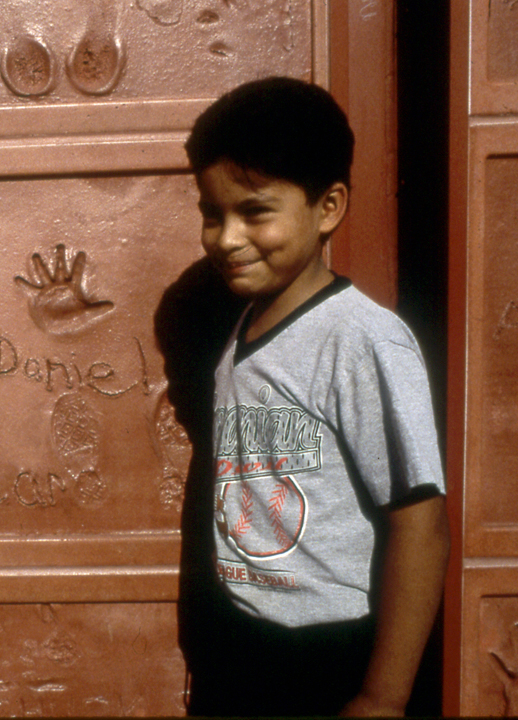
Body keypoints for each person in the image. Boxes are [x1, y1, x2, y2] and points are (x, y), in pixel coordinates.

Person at [181, 76, 449, 716]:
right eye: (211, 214)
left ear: (328, 207)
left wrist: (382, 697)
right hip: (240, 645)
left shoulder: (362, 339)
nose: (226, 238)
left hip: (326, 659)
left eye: (254, 211)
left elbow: (422, 523)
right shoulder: (243, 325)